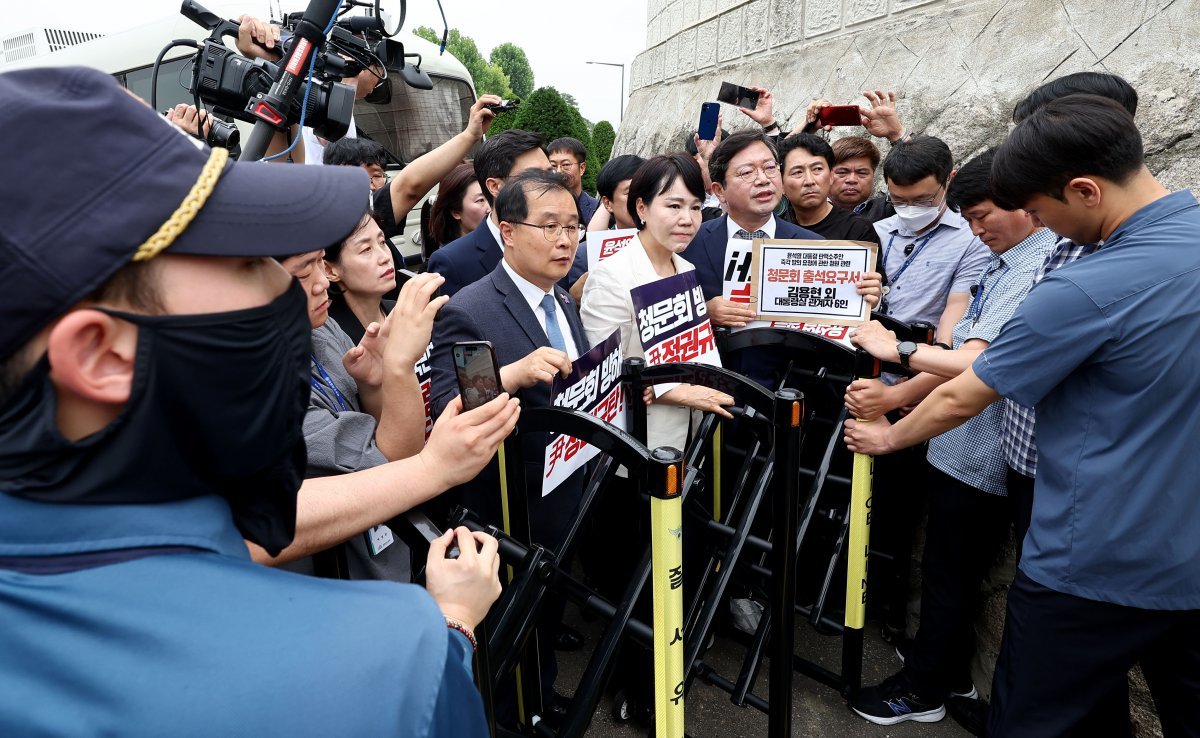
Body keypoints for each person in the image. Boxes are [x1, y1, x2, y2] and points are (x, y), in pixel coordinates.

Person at [0, 65, 508, 735]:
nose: (284, 286)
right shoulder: (384, 674)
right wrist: (450, 637)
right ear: (98, 354)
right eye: (246, 259)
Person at [844, 94, 1200, 737]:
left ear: (1085, 189)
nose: (1041, 229)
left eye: (1039, 211)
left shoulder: (1087, 285)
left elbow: (966, 391)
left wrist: (889, 437)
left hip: (1093, 559)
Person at [843, 149, 1057, 726]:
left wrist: (899, 364)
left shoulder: (1039, 267)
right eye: (971, 216)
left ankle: (925, 686)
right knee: (946, 569)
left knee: (952, 572)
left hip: (983, 451)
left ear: (1031, 206)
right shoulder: (1003, 258)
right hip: (961, 444)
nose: (978, 227)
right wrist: (896, 394)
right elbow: (958, 359)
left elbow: (975, 367)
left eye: (985, 214)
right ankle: (947, 675)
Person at [429, 168, 589, 719]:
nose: (565, 239)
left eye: (573, 226)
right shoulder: (469, 309)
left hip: (565, 490)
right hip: (508, 504)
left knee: (547, 616)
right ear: (507, 230)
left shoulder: (563, 299)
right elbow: (455, 417)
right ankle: (515, 715)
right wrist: (510, 374)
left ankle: (540, 700)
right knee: (510, 628)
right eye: (548, 226)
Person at [581, 154, 735, 451]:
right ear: (642, 208)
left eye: (695, 207)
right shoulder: (611, 276)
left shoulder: (686, 269)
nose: (687, 220)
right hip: (638, 442)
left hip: (693, 432)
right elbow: (602, 375)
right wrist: (670, 391)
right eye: (674, 206)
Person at [681, 130, 824, 326]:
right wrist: (703, 312)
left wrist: (863, 295)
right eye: (747, 172)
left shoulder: (815, 247)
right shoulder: (688, 246)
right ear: (719, 191)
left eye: (770, 168)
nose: (763, 179)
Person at [873, 135, 989, 339]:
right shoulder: (875, 232)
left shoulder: (972, 236)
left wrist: (939, 354)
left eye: (923, 200)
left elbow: (959, 304)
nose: (910, 209)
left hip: (925, 359)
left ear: (949, 179)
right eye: (898, 201)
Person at [426, 129, 550, 296]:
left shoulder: (556, 242)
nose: (549, 184)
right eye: (534, 176)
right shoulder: (453, 262)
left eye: (550, 174)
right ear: (495, 186)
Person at [778, 133, 880, 243]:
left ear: (831, 176)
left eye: (817, 169)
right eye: (797, 172)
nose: (809, 181)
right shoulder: (773, 227)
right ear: (780, 183)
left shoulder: (858, 230)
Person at [325, 212, 399, 344]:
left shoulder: (401, 313)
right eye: (366, 249)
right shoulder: (331, 338)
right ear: (330, 270)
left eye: (382, 242)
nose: (385, 257)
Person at [423, 162, 491, 257]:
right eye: (480, 200)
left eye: (491, 197)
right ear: (456, 211)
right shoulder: (448, 260)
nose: (490, 208)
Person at [547, 137, 600, 226]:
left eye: (566, 165)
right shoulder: (537, 208)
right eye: (553, 166)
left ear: (582, 168)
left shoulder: (598, 210)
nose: (559, 171)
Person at [587, 154, 645, 233]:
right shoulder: (596, 244)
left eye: (647, 189)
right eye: (630, 192)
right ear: (607, 203)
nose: (641, 199)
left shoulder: (665, 242)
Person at [830, 136, 885, 215]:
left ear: (874, 176)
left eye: (862, 173)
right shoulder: (809, 213)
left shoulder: (887, 214)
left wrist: (896, 134)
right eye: (842, 172)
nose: (852, 180)